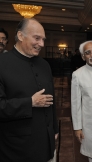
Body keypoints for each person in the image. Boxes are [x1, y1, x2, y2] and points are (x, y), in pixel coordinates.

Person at [0, 18, 58, 162]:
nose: (42, 44)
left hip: (46, 145)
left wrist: (54, 130)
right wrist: (30, 102)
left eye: (43, 39)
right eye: (37, 38)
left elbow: (52, 101)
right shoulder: (2, 64)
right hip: (16, 149)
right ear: (20, 36)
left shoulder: (45, 65)